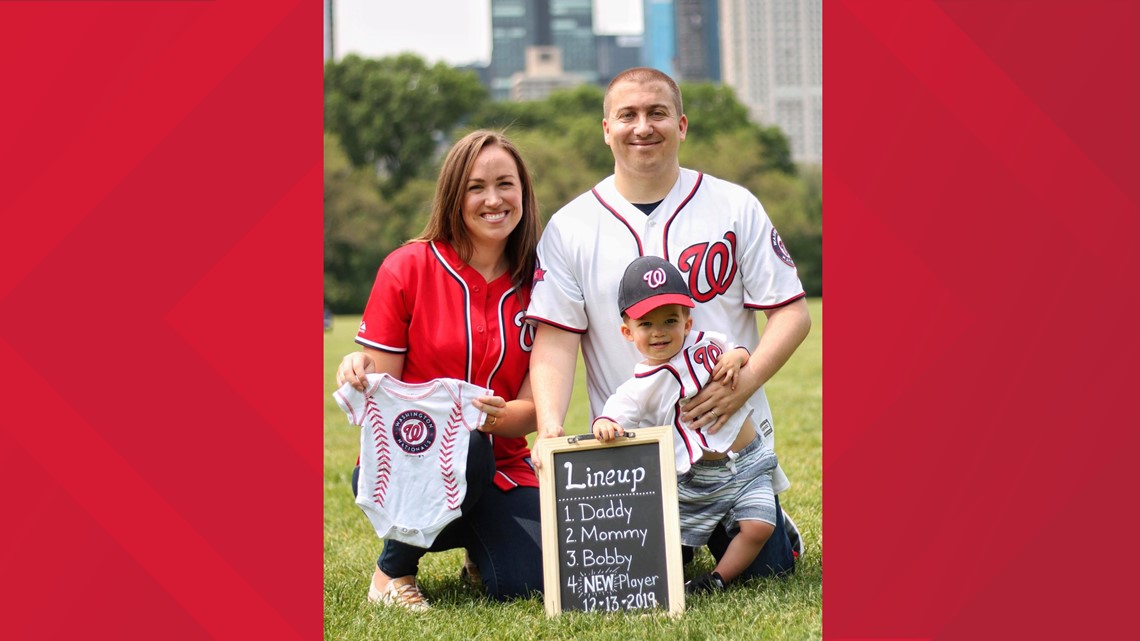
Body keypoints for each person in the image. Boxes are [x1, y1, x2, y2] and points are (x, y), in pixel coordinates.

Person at [526, 67, 811, 580]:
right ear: (605, 128)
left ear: (680, 125)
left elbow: (790, 311)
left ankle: (769, 516)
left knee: (764, 571)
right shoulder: (570, 226)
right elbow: (556, 337)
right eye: (628, 115)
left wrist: (741, 383)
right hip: (632, 453)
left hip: (726, 437)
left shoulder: (733, 205)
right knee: (638, 580)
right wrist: (549, 428)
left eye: (657, 113)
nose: (643, 126)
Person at [336, 130, 543, 610]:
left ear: (523, 193)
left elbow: (534, 410)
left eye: (505, 184)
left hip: (504, 470)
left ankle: (479, 548)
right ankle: (393, 572)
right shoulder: (407, 266)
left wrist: (486, 416)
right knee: (462, 443)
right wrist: (358, 368)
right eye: (476, 187)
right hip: (411, 468)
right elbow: (381, 399)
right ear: (454, 195)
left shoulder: (542, 281)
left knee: (526, 584)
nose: (493, 200)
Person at [591, 256, 780, 594]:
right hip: (697, 480)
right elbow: (618, 408)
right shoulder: (642, 385)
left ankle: (717, 579)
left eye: (669, 320)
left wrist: (738, 357)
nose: (659, 331)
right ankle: (684, 555)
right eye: (646, 324)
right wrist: (606, 421)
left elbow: (735, 349)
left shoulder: (707, 343)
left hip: (748, 462)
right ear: (627, 332)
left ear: (687, 323)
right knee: (666, 545)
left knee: (759, 526)